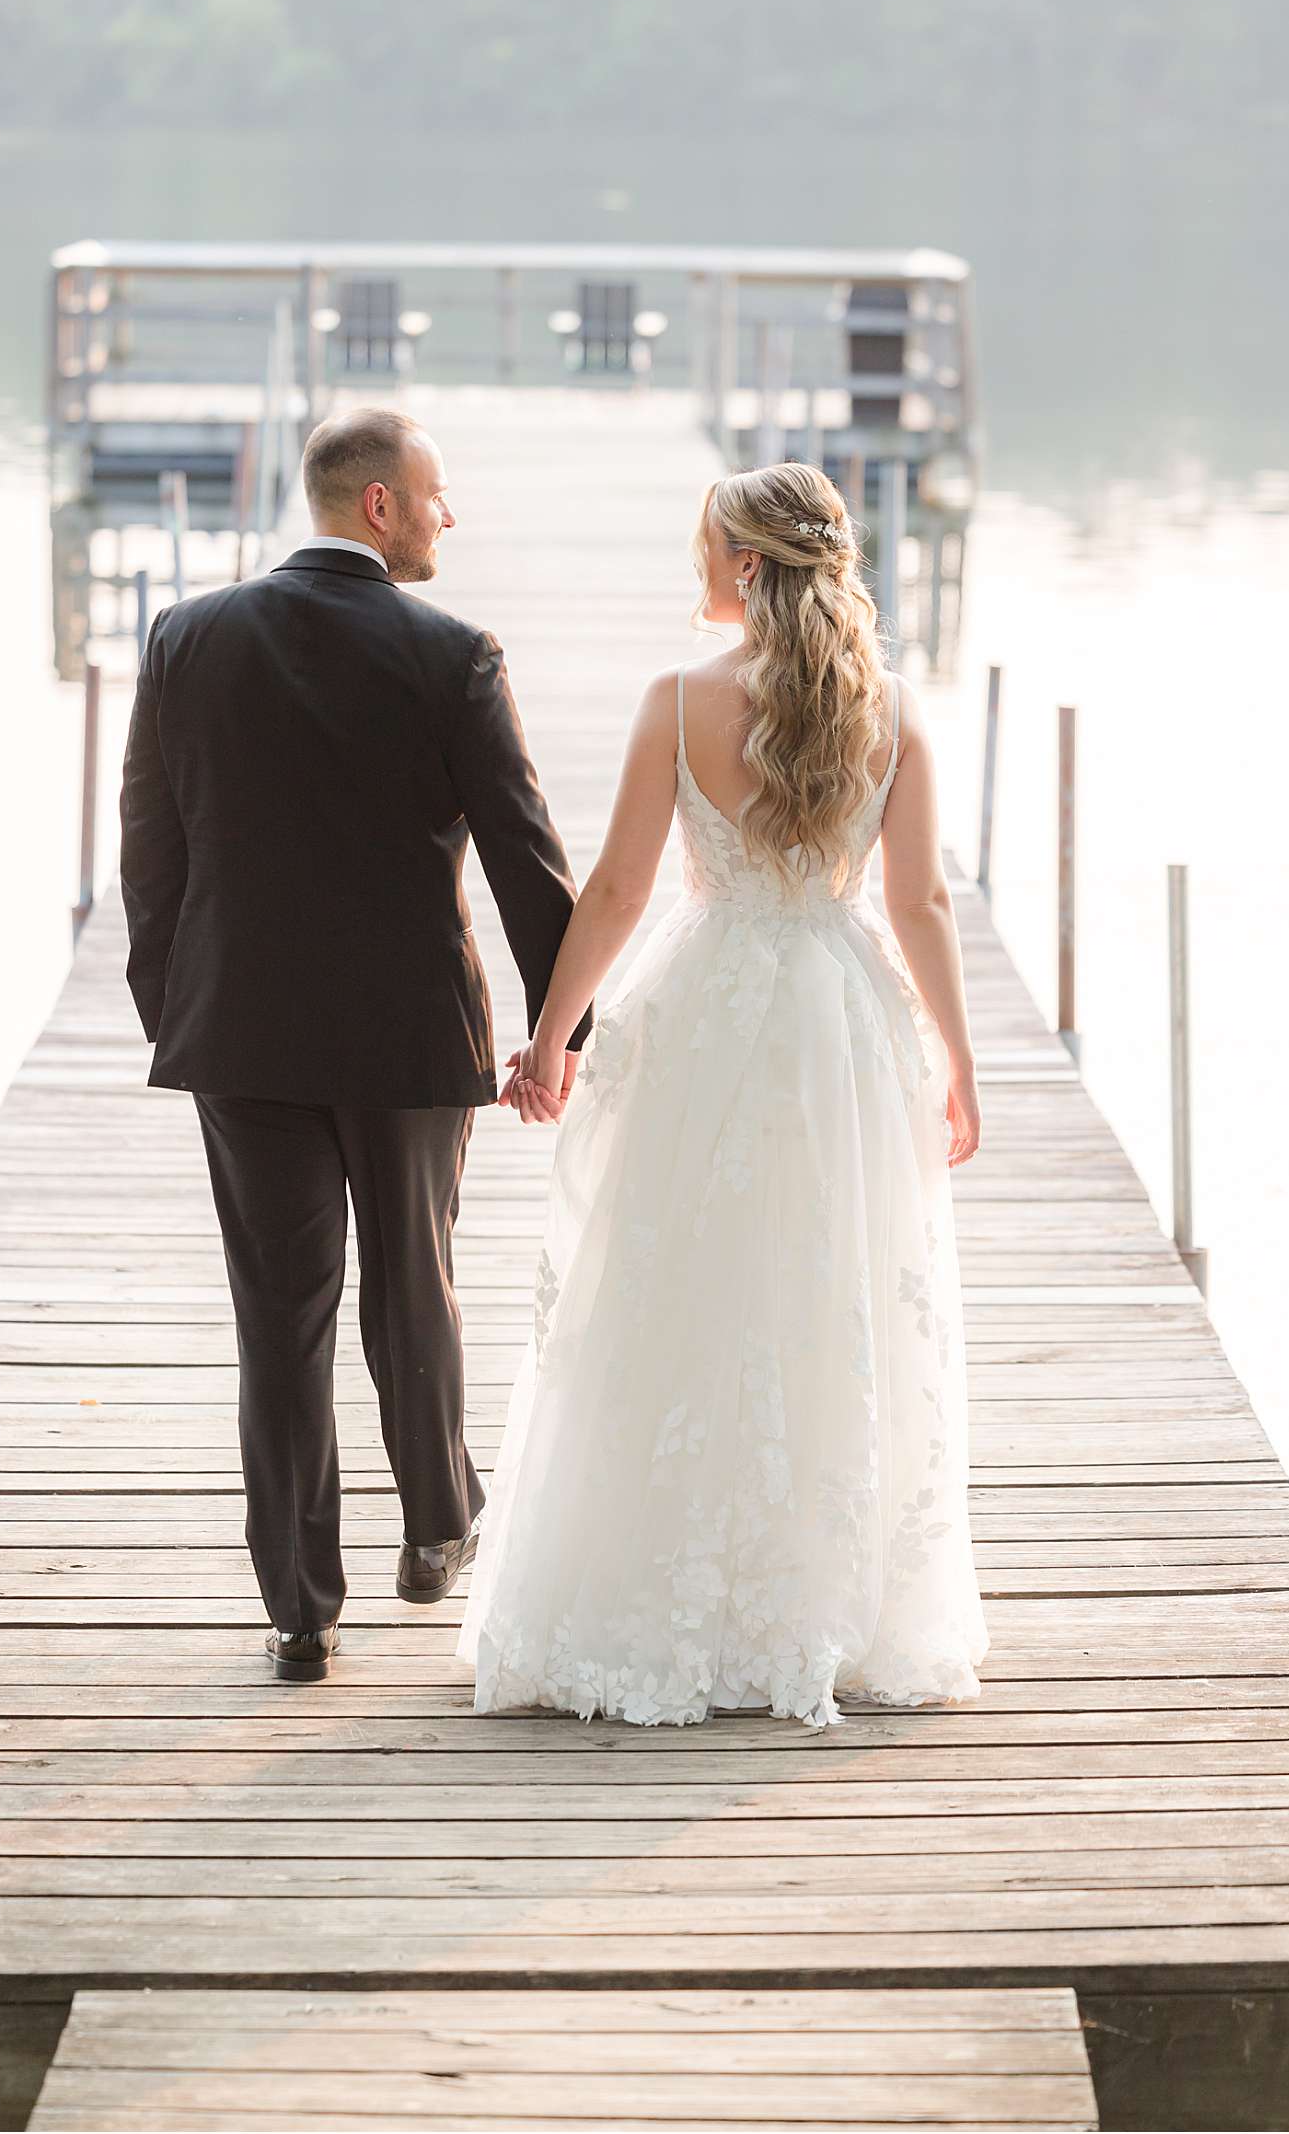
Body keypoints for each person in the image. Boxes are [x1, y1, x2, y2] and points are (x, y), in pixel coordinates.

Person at [458, 460, 989, 1729]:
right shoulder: (892, 709)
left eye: (704, 547)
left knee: (675, 1279)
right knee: (832, 1285)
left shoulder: (679, 702)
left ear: (746, 564)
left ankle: (661, 1593)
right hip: (842, 1020)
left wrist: (551, 1034)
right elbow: (915, 902)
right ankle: (819, 1603)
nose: (691, 569)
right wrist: (960, 1057)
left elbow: (618, 893)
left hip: (705, 1008)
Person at [118, 407, 591, 1681]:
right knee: (412, 1283)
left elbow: (150, 845)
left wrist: (174, 1006)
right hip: (404, 1032)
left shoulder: (185, 637)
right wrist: (560, 1029)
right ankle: (436, 1525)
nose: (450, 515)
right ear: (377, 505)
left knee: (278, 1316)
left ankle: (297, 1608)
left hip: (242, 1032)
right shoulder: (452, 653)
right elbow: (524, 861)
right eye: (436, 494)